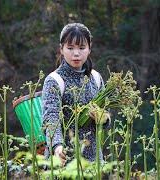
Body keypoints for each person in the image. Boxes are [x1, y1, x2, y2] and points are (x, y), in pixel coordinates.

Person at [41, 23, 110, 165]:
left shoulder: (96, 78)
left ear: (89, 48)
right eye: (70, 48)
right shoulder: (54, 80)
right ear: (61, 49)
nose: (76, 53)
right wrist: (57, 147)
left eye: (82, 48)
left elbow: (106, 118)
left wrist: (103, 118)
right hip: (64, 161)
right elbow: (51, 118)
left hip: (94, 162)